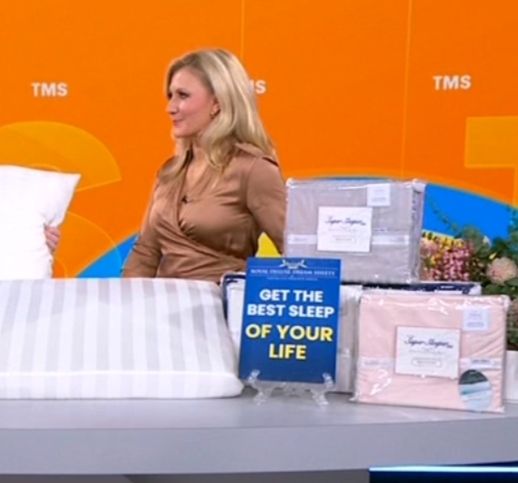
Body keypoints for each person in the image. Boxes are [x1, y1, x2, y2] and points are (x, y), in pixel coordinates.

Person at [122, 49, 285, 283]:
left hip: (219, 301)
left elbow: (297, 253)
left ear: (217, 103)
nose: (170, 107)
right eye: (170, 96)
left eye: (183, 95)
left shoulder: (253, 169)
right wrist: (126, 299)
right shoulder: (170, 172)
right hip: (164, 302)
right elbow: (145, 253)